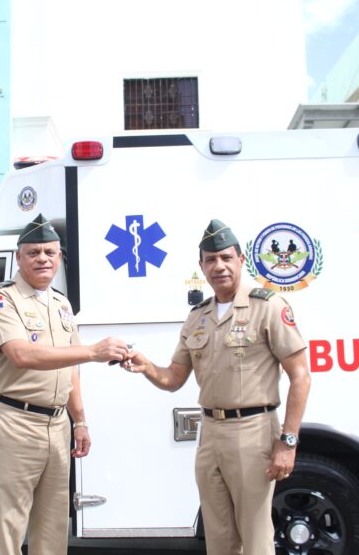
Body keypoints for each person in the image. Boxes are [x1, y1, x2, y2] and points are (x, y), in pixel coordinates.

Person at [123, 219, 311, 555]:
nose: (219, 266)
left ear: (241, 260)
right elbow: (173, 378)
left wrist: (288, 441)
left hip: (252, 432)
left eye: (226, 257)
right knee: (219, 537)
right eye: (210, 260)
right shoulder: (198, 317)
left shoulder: (267, 307)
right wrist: (146, 366)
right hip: (209, 432)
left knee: (255, 538)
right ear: (201, 267)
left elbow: (301, 376)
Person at [0, 213, 130, 555]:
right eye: (33, 252)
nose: (43, 259)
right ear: (19, 258)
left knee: (53, 522)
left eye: (50, 252)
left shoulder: (61, 303)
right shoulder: (1, 299)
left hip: (57, 424)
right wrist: (93, 351)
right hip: (15, 421)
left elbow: (70, 366)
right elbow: (21, 355)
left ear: (59, 256)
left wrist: (80, 420)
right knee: (9, 524)